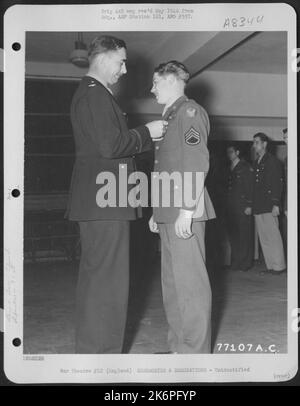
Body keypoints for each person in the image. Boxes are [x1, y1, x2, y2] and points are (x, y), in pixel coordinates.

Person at [65, 35, 167, 353]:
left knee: (100, 281)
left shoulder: (93, 94)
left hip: (102, 201)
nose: (124, 69)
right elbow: (111, 147)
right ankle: (103, 357)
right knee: (108, 284)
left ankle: (93, 352)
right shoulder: (96, 95)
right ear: (105, 58)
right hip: (105, 201)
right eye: (121, 61)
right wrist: (145, 133)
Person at [148, 61, 216, 353]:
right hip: (169, 211)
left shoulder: (189, 112)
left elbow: (196, 161)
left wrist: (186, 210)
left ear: (173, 80)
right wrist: (158, 210)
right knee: (173, 284)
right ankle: (179, 347)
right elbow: (167, 167)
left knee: (191, 285)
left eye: (156, 82)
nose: (152, 89)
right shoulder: (172, 116)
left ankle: (196, 353)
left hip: (185, 210)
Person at [252, 133, 286, 275]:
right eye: (254, 143)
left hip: (269, 204)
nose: (254, 145)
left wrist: (276, 204)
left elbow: (277, 183)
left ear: (264, 144)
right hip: (259, 205)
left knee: (273, 235)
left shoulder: (272, 161)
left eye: (257, 142)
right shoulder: (256, 161)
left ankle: (279, 266)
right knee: (264, 237)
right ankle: (271, 265)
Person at [225, 144, 254, 272]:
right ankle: (236, 262)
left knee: (244, 235)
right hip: (231, 207)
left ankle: (245, 263)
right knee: (234, 235)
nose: (229, 154)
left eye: (231, 152)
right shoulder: (229, 168)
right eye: (228, 152)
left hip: (243, 206)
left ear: (237, 152)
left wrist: (249, 204)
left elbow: (250, 187)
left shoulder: (245, 167)